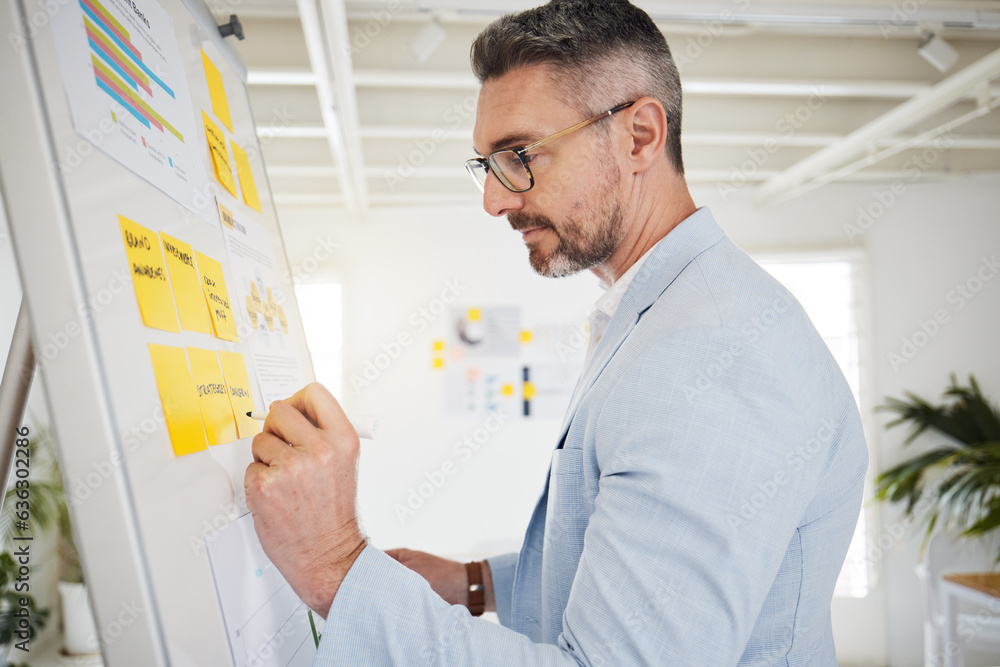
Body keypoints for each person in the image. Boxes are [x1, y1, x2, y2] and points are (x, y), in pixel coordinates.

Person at [244, 1, 869, 664]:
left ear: (639, 137)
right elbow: (634, 573)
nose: (495, 199)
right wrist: (473, 582)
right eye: (487, 164)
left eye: (519, 155)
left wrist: (334, 565)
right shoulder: (670, 318)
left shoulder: (710, 355)